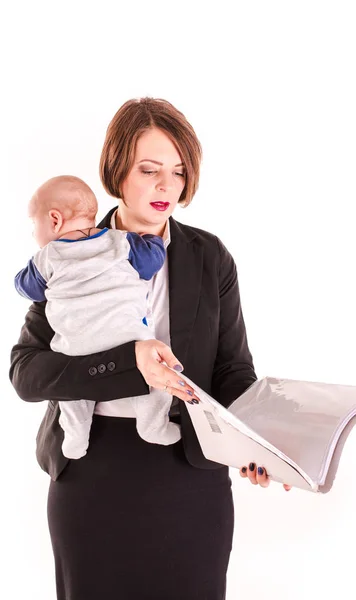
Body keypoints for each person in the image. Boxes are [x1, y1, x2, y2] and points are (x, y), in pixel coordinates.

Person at [10, 97, 289, 600]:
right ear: (118, 171)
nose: (167, 186)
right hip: (90, 474)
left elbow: (232, 371)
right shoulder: (68, 255)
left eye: (179, 172)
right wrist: (126, 364)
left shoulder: (209, 257)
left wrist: (256, 442)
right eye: (149, 169)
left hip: (190, 475)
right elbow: (27, 374)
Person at [14, 174, 190, 460]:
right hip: (128, 336)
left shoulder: (46, 258)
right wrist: (151, 242)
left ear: (55, 220)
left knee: (71, 396)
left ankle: (76, 434)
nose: (34, 233)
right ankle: (153, 425)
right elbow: (150, 263)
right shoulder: (121, 243)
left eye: (34, 225)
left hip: (75, 348)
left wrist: (29, 274)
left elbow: (28, 287)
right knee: (159, 381)